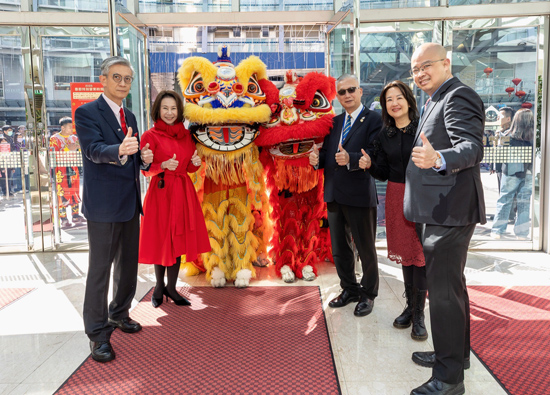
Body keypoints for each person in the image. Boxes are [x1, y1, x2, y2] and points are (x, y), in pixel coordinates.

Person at [404, 43, 485, 395]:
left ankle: (449, 378)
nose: (420, 73)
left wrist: (439, 158)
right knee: (452, 288)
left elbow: (471, 147)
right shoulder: (435, 97)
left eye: (426, 66)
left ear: (446, 63)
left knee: (442, 295)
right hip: (441, 209)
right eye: (414, 69)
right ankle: (456, 353)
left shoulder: (458, 95)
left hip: (450, 210)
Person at [75, 56, 154, 363]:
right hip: (103, 206)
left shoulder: (129, 115)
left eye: (128, 79)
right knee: (100, 271)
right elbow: (92, 150)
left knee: (128, 265)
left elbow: (131, 156)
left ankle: (119, 314)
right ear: (103, 79)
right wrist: (119, 150)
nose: (123, 83)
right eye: (117, 78)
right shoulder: (87, 113)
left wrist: (142, 158)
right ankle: (96, 334)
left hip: (129, 202)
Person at [359, 80, 427, 341]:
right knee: (407, 254)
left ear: (409, 100)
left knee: (419, 255)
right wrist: (368, 165)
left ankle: (420, 314)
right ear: (385, 106)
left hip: (421, 195)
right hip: (396, 195)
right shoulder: (383, 135)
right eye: (389, 100)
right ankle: (410, 307)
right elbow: (384, 172)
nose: (395, 103)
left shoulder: (422, 129)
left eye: (399, 97)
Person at [309, 73, 382, 317]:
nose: (347, 95)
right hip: (334, 194)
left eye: (351, 90)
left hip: (360, 194)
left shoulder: (374, 120)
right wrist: (317, 160)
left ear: (360, 91)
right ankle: (349, 289)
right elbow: (330, 153)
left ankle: (368, 294)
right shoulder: (335, 122)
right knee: (340, 249)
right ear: (337, 96)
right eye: (342, 92)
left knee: (365, 248)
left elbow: (375, 153)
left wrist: (350, 158)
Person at [138, 90, 210, 307]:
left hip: (182, 191)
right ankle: (159, 287)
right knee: (162, 239)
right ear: (158, 110)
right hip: (161, 192)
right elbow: (144, 170)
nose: (169, 113)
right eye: (165, 108)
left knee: (177, 239)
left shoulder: (187, 136)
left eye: (173, 108)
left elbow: (189, 167)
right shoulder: (149, 136)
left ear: (180, 111)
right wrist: (162, 166)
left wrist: (196, 162)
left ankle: (172, 287)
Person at [491, 108, 534, 240]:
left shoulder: (507, 136)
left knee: (504, 200)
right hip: (529, 172)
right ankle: (521, 233)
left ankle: (498, 230)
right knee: (524, 202)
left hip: (511, 171)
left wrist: (496, 169)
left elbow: (499, 156)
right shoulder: (533, 138)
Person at [49, 117, 84, 228]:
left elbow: (79, 151)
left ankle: (75, 215)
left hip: (74, 168)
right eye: (69, 127)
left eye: (72, 126)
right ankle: (63, 218)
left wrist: (79, 148)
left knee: (75, 191)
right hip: (61, 170)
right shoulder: (54, 138)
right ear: (62, 127)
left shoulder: (74, 138)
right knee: (62, 193)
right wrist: (67, 149)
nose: (71, 129)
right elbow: (53, 154)